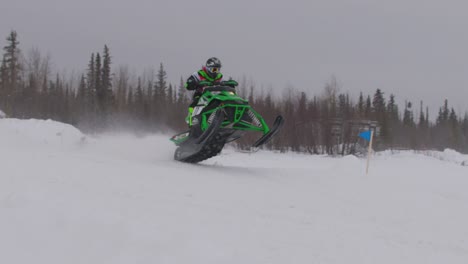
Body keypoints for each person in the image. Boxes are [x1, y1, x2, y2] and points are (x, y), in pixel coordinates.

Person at [184, 57, 237, 126]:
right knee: (196, 102)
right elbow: (188, 83)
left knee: (227, 100)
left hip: (216, 96)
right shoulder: (199, 74)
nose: (216, 72)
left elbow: (224, 83)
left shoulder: (219, 76)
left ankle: (228, 119)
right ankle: (192, 121)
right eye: (214, 69)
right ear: (208, 68)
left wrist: (229, 84)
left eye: (218, 70)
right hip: (202, 94)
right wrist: (193, 83)